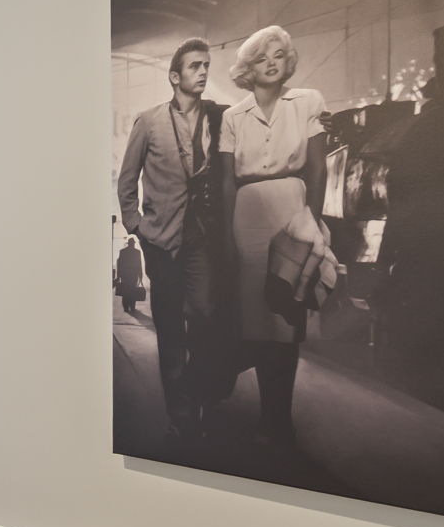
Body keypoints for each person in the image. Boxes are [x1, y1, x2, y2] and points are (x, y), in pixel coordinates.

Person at [220, 25, 328, 445]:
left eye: (279, 55)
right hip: (247, 218)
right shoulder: (233, 117)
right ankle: (261, 409)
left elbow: (318, 168)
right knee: (255, 323)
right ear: (248, 66)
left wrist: (312, 221)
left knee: (285, 321)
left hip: (293, 211)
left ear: (288, 64)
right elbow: (228, 183)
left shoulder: (307, 103)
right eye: (262, 56)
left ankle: (278, 419)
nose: (271, 62)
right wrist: (228, 239)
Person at [117, 37, 229, 437]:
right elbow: (127, 180)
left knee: (204, 313)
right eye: (195, 66)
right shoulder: (148, 122)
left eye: (206, 66)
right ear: (174, 76)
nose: (203, 72)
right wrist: (137, 227)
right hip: (161, 239)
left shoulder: (219, 118)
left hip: (202, 238)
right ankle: (179, 406)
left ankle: (199, 388)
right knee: (168, 324)